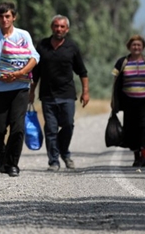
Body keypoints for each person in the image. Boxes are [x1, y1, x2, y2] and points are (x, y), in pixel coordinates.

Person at [0, 2, 39, 177]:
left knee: (18, 128)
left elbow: (34, 57)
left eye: (7, 16)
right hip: (0, 90)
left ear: (13, 17)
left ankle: (12, 163)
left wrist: (20, 73)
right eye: (1, 16)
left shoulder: (23, 35)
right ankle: (1, 159)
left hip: (20, 88)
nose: (4, 19)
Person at [29, 14, 89, 172]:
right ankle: (53, 161)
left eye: (62, 26)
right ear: (52, 27)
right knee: (51, 128)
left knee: (68, 125)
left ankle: (65, 152)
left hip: (67, 94)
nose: (59, 29)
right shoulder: (42, 45)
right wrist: (31, 92)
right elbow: (36, 73)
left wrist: (85, 92)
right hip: (47, 95)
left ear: (67, 29)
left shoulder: (72, 47)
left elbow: (82, 72)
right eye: (56, 26)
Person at [111, 34, 145, 167]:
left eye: (139, 45)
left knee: (144, 125)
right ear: (129, 47)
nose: (136, 47)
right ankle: (136, 156)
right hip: (128, 101)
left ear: (143, 47)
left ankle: (144, 155)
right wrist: (113, 100)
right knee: (131, 128)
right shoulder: (121, 63)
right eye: (134, 45)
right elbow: (115, 83)